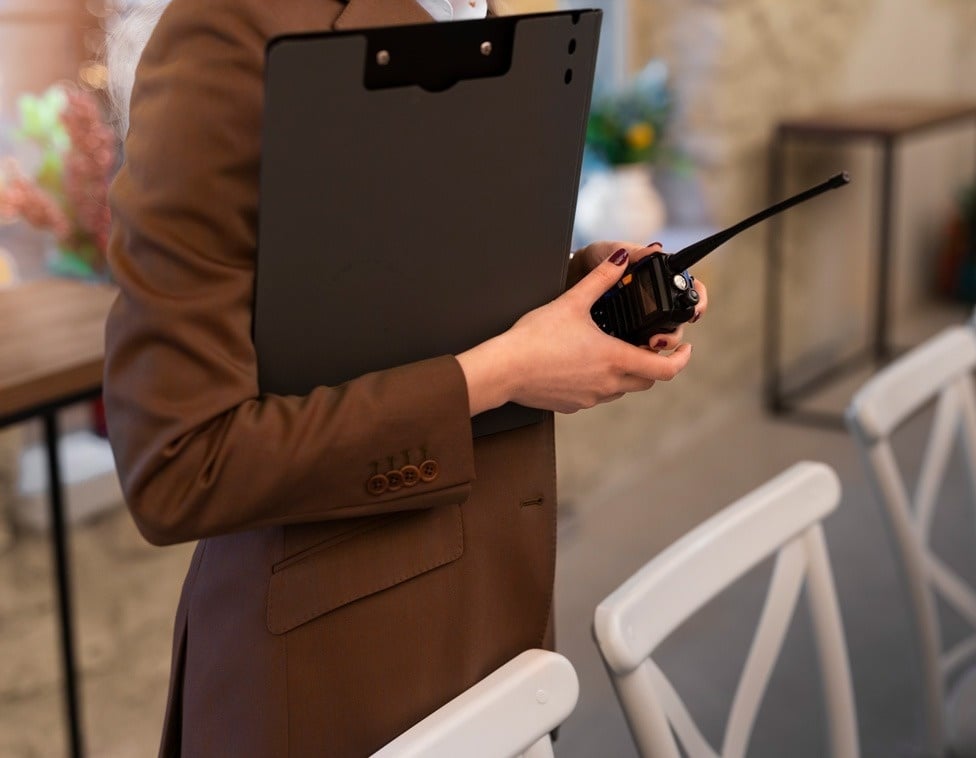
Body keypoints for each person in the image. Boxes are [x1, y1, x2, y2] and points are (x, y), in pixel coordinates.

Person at [104, 0, 708, 755]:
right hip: (336, 674)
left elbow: (389, 290)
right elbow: (180, 461)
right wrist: (508, 370)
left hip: (500, 614)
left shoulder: (483, 10)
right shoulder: (225, 28)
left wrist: (579, 292)